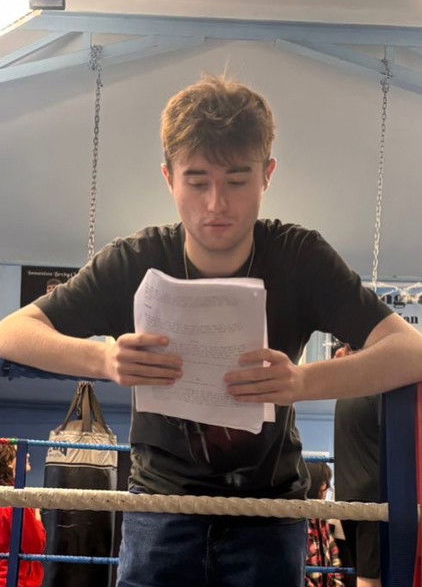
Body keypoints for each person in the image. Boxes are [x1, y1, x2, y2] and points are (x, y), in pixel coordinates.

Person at [0, 74, 422, 587]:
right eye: (197, 181)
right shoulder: (134, 260)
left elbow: (410, 350)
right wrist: (104, 360)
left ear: (267, 175)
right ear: (168, 178)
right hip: (161, 508)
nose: (217, 203)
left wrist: (302, 382)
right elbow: (13, 332)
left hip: (268, 512)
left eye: (237, 181)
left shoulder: (300, 257)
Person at [334, 345, 382, 587]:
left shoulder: (345, 394)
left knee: (363, 573)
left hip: (347, 496)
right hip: (371, 500)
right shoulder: (377, 392)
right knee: (370, 578)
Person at [0, 444, 46, 587]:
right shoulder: (14, 499)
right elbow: (35, 546)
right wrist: (36, 516)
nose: (27, 454)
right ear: (8, 463)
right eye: (19, 452)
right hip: (13, 580)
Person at [306, 462, 344, 587]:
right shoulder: (298, 523)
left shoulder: (322, 520)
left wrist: (338, 585)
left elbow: (334, 558)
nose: (327, 488)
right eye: (323, 483)